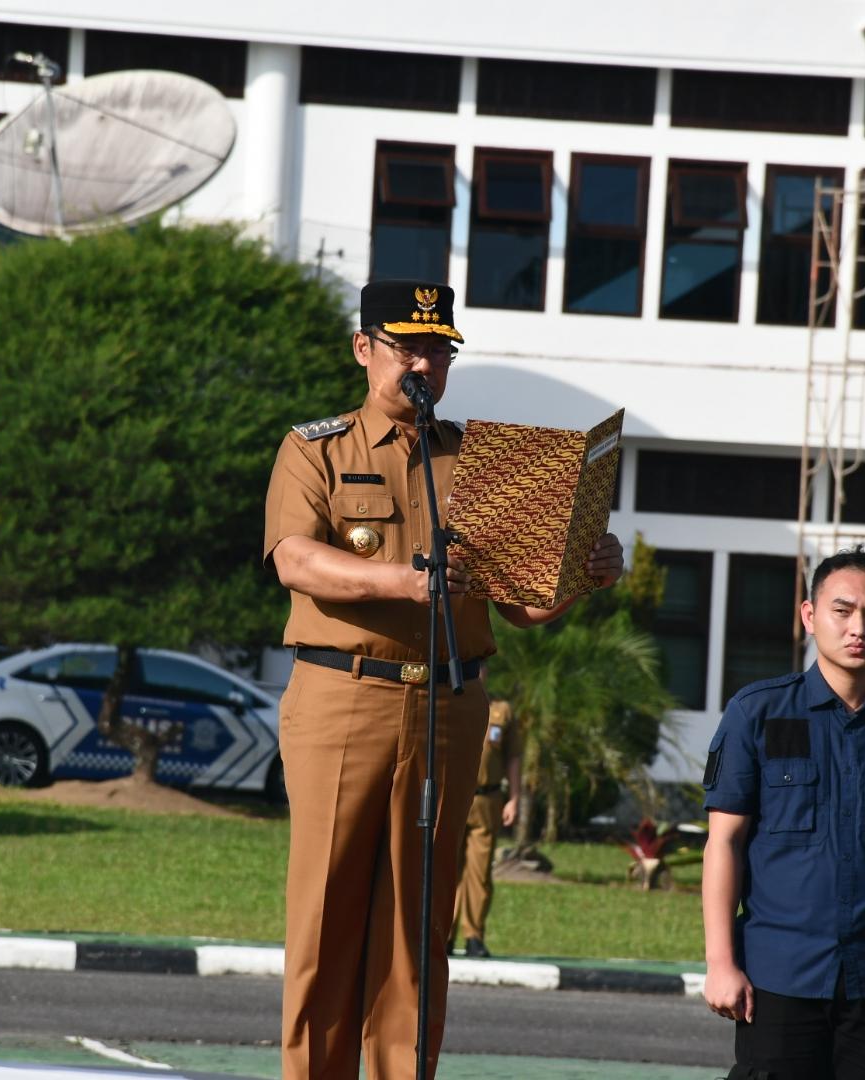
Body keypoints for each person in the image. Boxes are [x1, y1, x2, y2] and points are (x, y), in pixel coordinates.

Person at [264, 279, 623, 1080]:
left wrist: (581, 575)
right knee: (327, 916)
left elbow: (523, 606)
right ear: (365, 349)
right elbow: (295, 558)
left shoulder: (480, 461)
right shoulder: (317, 449)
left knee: (419, 922)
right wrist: (406, 581)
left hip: (451, 701)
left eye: (439, 349)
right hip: (343, 697)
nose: (424, 363)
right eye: (408, 347)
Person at [700, 546, 865, 1080]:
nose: (859, 628)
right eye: (842, 610)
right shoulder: (758, 713)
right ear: (809, 615)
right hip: (779, 975)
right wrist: (719, 962)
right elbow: (723, 843)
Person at [451, 689, 521, 959]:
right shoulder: (449, 699)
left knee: (479, 874)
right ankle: (443, 935)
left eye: (482, 665)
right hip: (454, 796)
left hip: (488, 799)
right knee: (447, 870)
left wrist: (514, 798)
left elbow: (513, 756)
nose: (478, 670)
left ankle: (474, 936)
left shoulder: (501, 710)